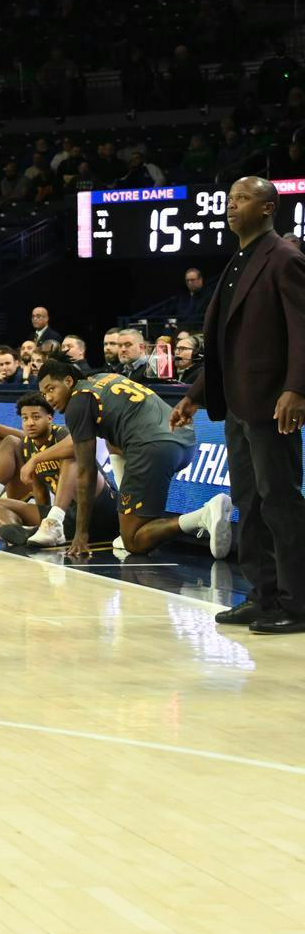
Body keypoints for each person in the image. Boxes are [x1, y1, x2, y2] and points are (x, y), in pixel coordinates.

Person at [174, 176, 305, 633]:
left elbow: (302, 330)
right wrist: (194, 394)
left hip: (272, 404)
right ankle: (263, 595)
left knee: (280, 503)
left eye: (243, 199)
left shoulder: (284, 258)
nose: (232, 206)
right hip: (237, 405)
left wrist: (297, 388)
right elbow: (230, 345)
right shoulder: (238, 261)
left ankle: (296, 603)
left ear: (268, 208)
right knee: (249, 503)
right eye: (229, 200)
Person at [37, 359, 228, 560]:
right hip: (185, 440)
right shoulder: (105, 379)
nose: (48, 398)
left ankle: (202, 516)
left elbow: (86, 471)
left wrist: (81, 533)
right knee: (112, 438)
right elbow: (114, 440)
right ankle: (126, 513)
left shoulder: (77, 403)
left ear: (68, 381)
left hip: (152, 448)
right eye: (43, 394)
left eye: (51, 389)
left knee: (134, 541)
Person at [0, 394, 124, 551]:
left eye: (36, 417)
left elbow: (75, 446)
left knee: (71, 457)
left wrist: (35, 460)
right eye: (25, 418)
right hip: (68, 516)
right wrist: (44, 520)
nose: (30, 423)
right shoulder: (28, 445)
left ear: (49, 418)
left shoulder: (61, 433)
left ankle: (52, 522)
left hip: (100, 505)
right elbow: (40, 491)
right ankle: (24, 531)